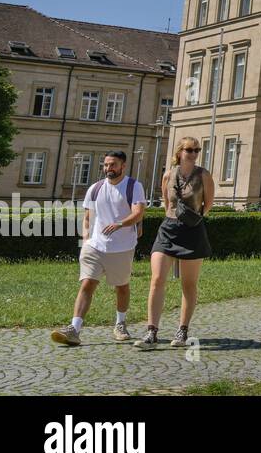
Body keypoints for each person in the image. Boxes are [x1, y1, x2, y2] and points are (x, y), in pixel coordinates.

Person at [50, 151, 145, 346]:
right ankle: (74, 329)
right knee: (87, 284)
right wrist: (86, 240)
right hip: (94, 246)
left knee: (122, 286)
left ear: (123, 166)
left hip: (122, 247)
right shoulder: (95, 188)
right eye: (106, 165)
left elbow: (138, 213)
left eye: (113, 165)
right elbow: (88, 217)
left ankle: (120, 324)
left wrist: (119, 224)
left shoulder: (133, 186)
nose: (109, 168)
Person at [134, 137, 213, 350]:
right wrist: (174, 217)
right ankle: (151, 331)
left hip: (193, 231)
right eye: (190, 150)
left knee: (188, 284)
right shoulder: (168, 175)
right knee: (157, 278)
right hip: (168, 229)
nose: (194, 153)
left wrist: (193, 219)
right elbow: (167, 204)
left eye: (197, 150)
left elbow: (208, 204)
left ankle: (182, 329)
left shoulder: (203, 175)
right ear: (180, 152)